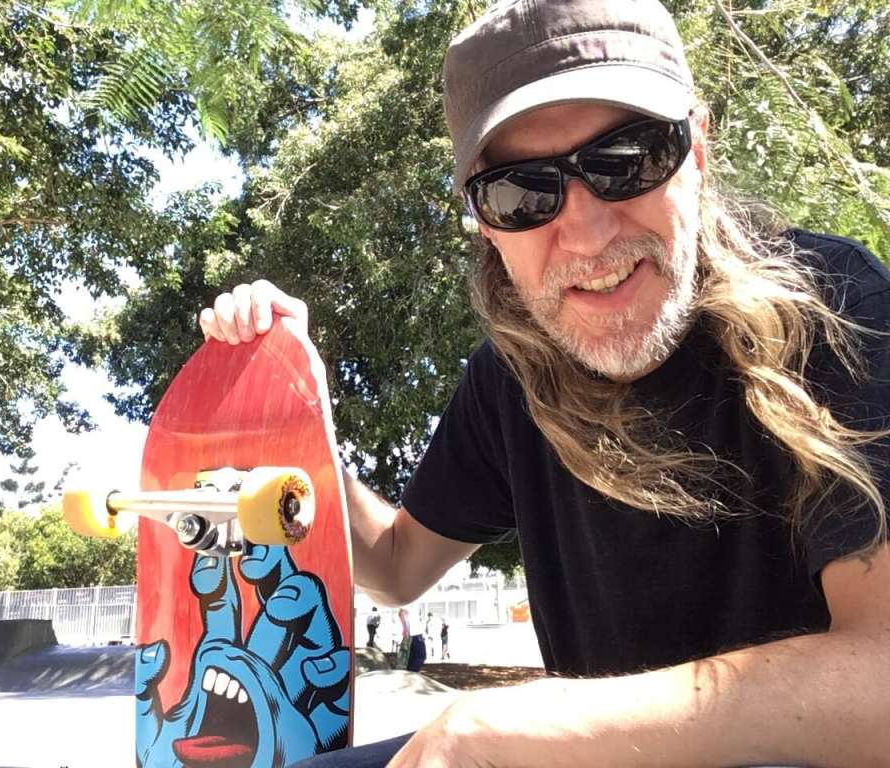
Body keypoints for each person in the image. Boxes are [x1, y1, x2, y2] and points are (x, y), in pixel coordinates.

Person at [199, 0, 890, 764]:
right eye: (522, 193)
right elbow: (395, 569)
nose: (589, 233)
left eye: (627, 158)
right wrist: (302, 411)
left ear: (696, 149)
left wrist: (521, 725)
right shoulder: (512, 376)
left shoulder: (835, 310)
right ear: (485, 222)